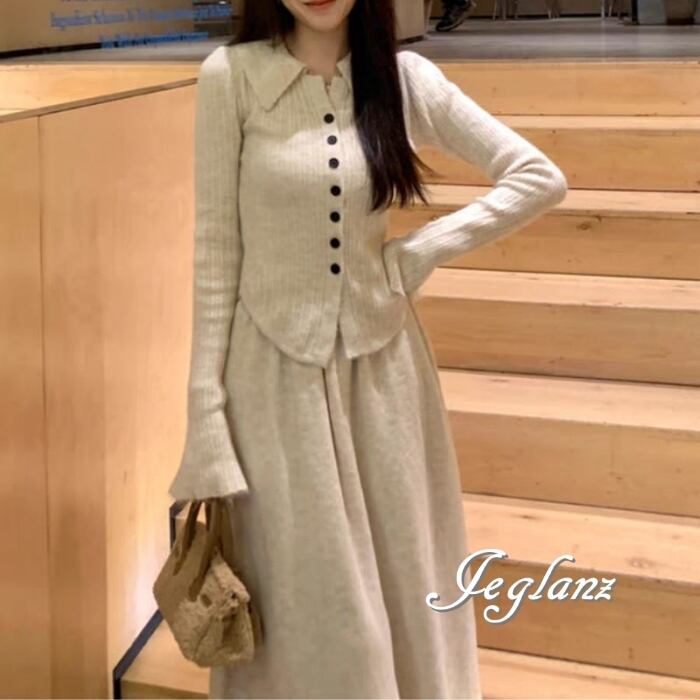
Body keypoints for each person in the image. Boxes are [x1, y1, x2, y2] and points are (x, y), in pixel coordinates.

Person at [166, 0, 567, 697]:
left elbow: (537, 176)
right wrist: (205, 418)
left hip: (384, 383)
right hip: (273, 389)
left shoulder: (404, 80)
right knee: (316, 611)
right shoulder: (230, 77)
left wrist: (422, 251)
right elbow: (216, 257)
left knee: (408, 588)